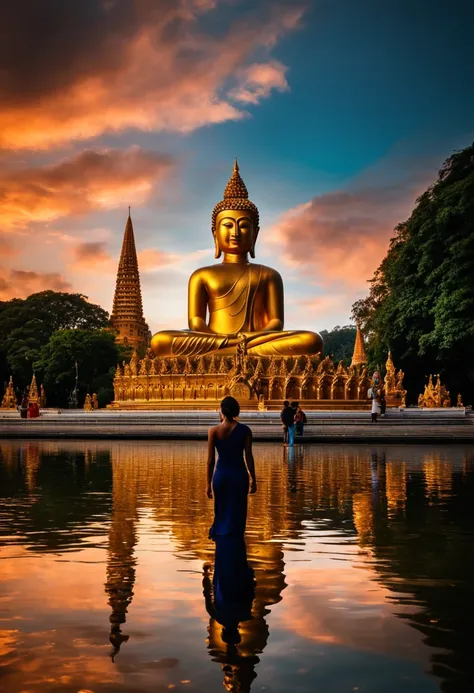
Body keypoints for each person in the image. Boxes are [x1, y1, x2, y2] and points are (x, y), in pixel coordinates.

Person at [207, 396, 257, 542]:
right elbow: (249, 457)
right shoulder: (245, 430)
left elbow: (210, 461)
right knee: (238, 513)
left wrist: (207, 484)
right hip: (239, 475)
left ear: (221, 411)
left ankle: (222, 554)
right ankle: (236, 553)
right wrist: (253, 478)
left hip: (221, 476)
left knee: (221, 511)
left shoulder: (213, 431)